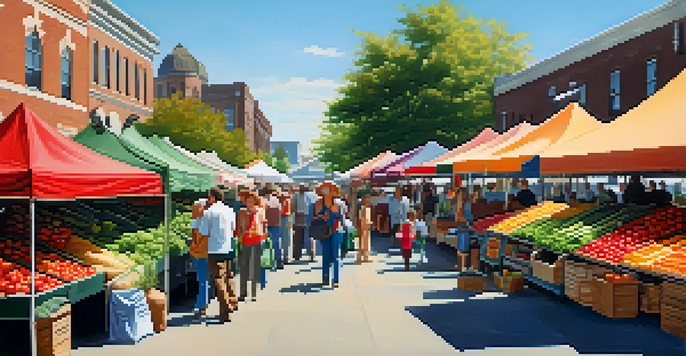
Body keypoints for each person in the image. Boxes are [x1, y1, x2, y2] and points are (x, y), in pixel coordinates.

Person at [199, 188, 237, 323]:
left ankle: (225, 309)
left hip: (215, 248)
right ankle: (233, 301)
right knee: (228, 275)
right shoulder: (230, 210)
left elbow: (203, 232)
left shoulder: (209, 212)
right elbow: (233, 228)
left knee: (218, 278)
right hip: (229, 246)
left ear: (213, 198)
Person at [308, 181, 343, 287]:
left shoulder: (338, 205)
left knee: (336, 256)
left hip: (336, 232)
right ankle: (326, 278)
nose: (327, 192)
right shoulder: (316, 204)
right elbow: (310, 219)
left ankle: (336, 279)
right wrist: (321, 216)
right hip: (323, 232)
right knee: (325, 255)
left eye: (329, 190)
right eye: (325, 190)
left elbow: (342, 219)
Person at [236, 190, 266, 302]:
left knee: (255, 267)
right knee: (244, 267)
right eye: (247, 202)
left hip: (257, 240)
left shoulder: (260, 211)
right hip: (245, 241)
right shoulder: (241, 212)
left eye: (251, 202)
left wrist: (264, 234)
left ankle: (254, 292)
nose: (249, 204)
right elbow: (238, 227)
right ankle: (243, 292)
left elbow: (264, 224)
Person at [189, 199, 209, 318]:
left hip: (200, 254)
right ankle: (202, 303)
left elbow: (195, 240)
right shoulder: (206, 220)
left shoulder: (197, 222)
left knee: (202, 280)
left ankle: (201, 305)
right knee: (204, 280)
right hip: (205, 253)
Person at [264, 185, 283, 270]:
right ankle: (278, 261)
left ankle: (268, 261)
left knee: (266, 244)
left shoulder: (263, 200)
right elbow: (279, 211)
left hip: (266, 224)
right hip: (275, 224)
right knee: (276, 243)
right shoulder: (276, 200)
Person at [357, 194, 373, 264]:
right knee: (362, 243)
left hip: (367, 227)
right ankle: (360, 257)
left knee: (366, 243)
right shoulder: (362, 208)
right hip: (363, 227)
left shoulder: (368, 208)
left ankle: (366, 257)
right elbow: (361, 218)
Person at [278, 189, 292, 268]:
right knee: (286, 238)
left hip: (281, 217)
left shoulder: (279, 198)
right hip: (286, 217)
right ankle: (286, 257)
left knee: (281, 238)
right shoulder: (287, 199)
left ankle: (282, 257)